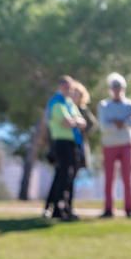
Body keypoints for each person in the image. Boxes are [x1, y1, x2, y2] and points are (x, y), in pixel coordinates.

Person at [43, 76, 87, 221]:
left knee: (70, 176)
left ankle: (67, 207)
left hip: (73, 143)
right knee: (62, 175)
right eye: (67, 88)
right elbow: (67, 122)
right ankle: (56, 207)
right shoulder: (57, 103)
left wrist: (74, 121)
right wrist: (75, 121)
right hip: (61, 143)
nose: (70, 91)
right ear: (61, 87)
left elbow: (82, 122)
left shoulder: (69, 103)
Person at [97, 72, 131, 218]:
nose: (117, 90)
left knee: (128, 178)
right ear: (110, 89)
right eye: (114, 87)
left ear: (123, 88)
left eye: (119, 87)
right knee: (109, 178)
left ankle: (129, 209)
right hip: (109, 145)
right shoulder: (104, 105)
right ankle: (108, 209)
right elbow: (103, 126)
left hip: (126, 144)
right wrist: (120, 123)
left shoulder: (130, 105)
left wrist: (118, 122)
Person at [69, 80, 97, 174]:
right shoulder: (67, 107)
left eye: (77, 95)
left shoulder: (83, 110)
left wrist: (83, 131)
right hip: (67, 141)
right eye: (73, 94)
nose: (75, 97)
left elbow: (92, 123)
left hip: (79, 143)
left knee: (79, 168)